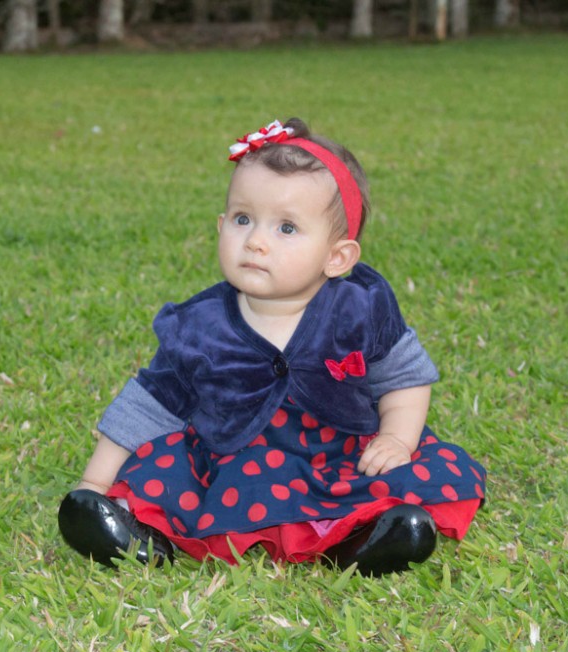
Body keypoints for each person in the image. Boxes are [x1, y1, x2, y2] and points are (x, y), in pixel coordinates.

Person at [58, 118, 486, 576]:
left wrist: (397, 438)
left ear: (337, 257)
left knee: (390, 481)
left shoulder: (360, 309)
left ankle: (367, 538)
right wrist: (94, 483)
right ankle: (132, 533)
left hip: (338, 458)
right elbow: (148, 406)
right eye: (243, 219)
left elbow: (404, 377)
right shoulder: (199, 326)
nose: (256, 241)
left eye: (286, 228)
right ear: (221, 225)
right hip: (230, 463)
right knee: (162, 480)